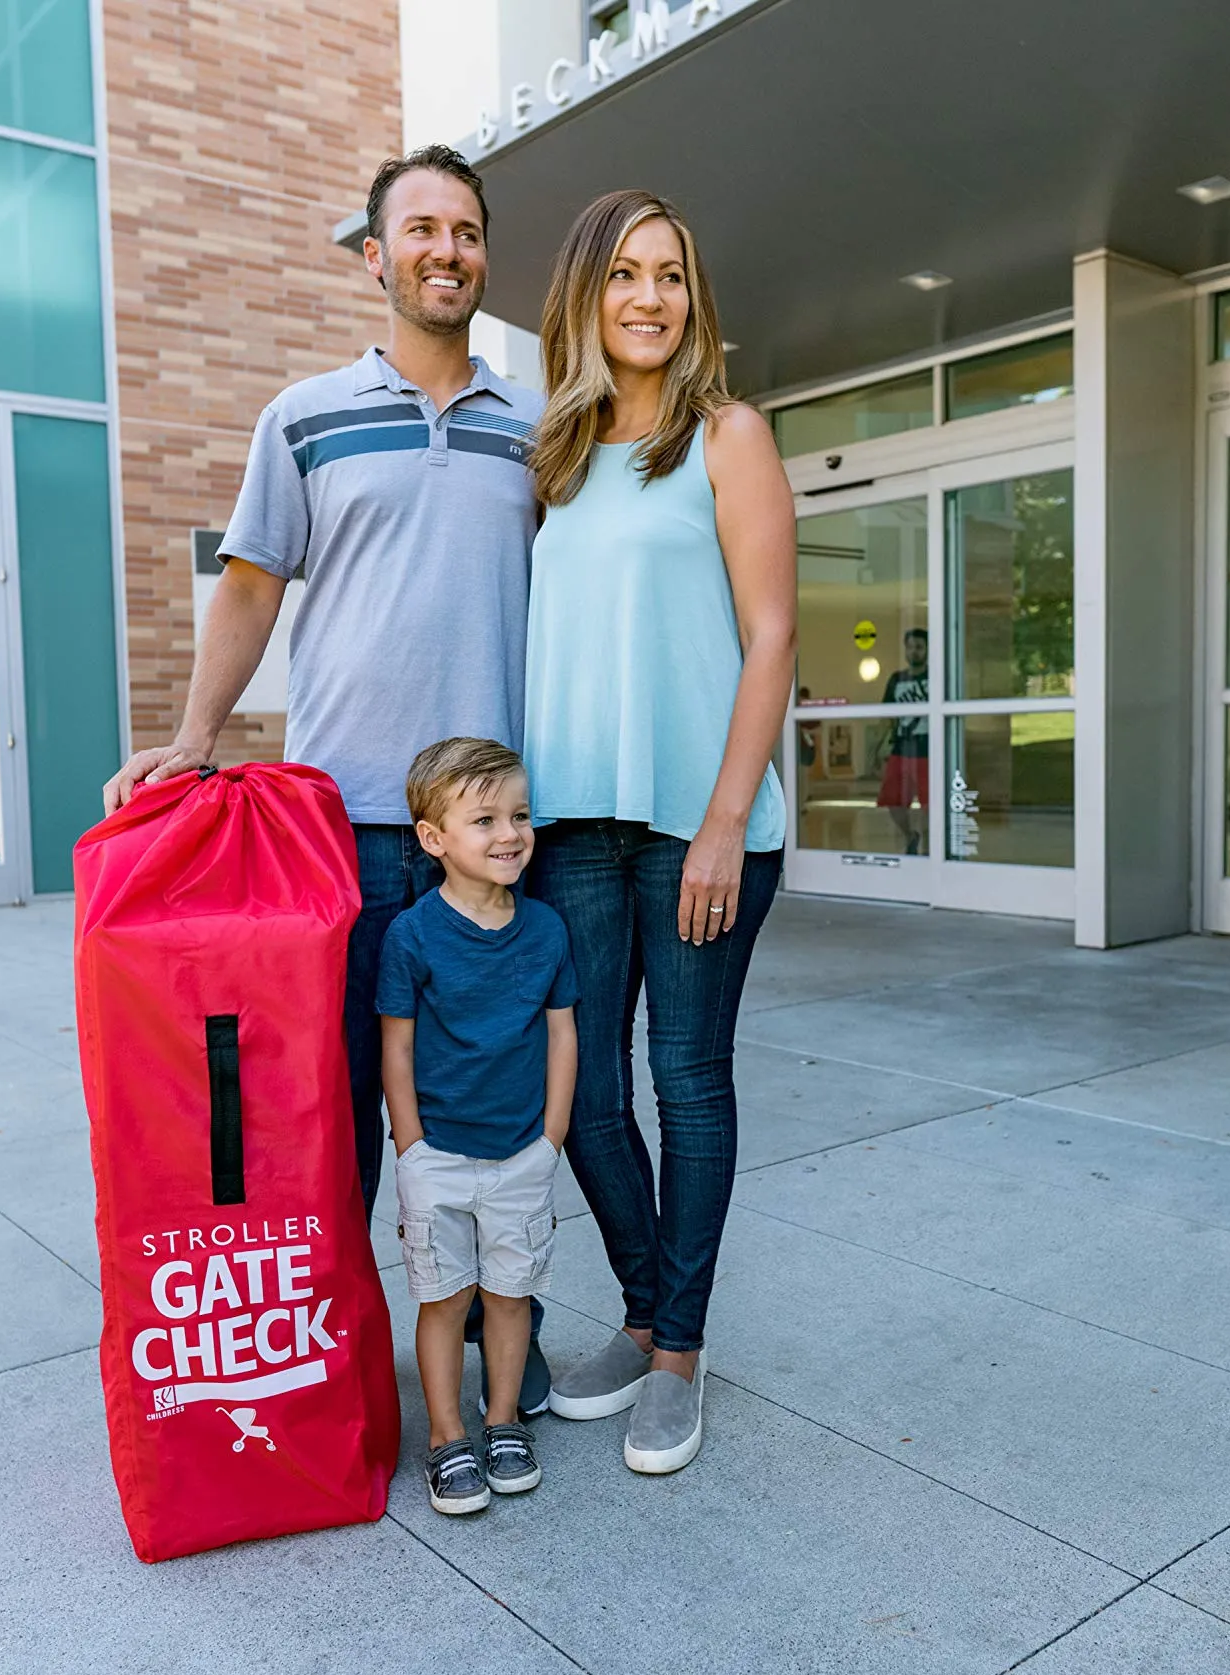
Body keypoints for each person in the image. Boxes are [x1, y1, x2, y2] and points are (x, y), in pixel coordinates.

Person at [99, 144, 554, 1410]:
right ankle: (335, 1355)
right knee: (338, 1112)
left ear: (482, 256)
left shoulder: (536, 424)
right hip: (341, 832)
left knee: (493, 1095)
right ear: (376, 254)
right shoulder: (302, 416)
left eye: (464, 231)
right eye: (420, 230)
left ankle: (489, 1339)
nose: (445, 251)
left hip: (495, 834)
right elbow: (250, 586)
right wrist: (195, 738)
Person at [518, 189, 796, 1474]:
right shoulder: (555, 456)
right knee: (580, 1095)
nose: (650, 298)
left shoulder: (726, 434)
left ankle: (678, 1350)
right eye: (625, 275)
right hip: (571, 822)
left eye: (671, 276)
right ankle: (645, 1308)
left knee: (687, 1078)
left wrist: (723, 822)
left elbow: (773, 634)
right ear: (585, 294)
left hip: (701, 821)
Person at [376, 739, 577, 1513]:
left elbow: (563, 1034)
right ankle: (446, 1437)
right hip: (439, 1159)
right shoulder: (412, 936)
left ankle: (501, 1424)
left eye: (520, 815)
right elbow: (396, 1047)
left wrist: (551, 1138)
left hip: (522, 1154)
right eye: (484, 818)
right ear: (434, 839)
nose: (509, 834)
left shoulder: (548, 930)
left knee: (509, 1298)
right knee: (442, 1301)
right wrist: (412, 1146)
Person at [879, 628, 930, 853]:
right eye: (910, 647)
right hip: (901, 748)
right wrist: (880, 746)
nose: (914, 652)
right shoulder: (896, 679)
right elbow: (886, 715)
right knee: (893, 801)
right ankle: (911, 836)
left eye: (919, 647)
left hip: (929, 749)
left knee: (931, 803)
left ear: (927, 649)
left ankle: (931, 850)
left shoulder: (935, 677)